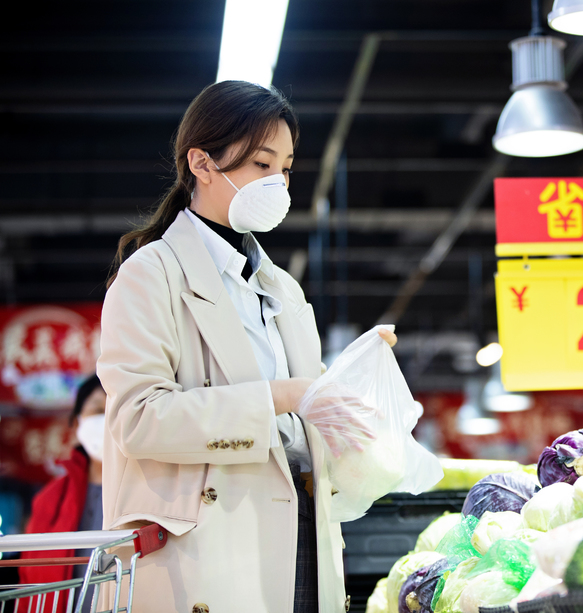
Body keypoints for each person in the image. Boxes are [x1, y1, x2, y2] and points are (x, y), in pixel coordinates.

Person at [97, 80, 395, 613]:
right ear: (202, 163)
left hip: (304, 528)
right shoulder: (152, 273)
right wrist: (282, 396)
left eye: (285, 167)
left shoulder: (282, 286)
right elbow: (138, 420)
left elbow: (306, 414)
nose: (278, 183)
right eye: (261, 164)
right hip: (209, 548)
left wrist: (354, 385)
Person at [20, 375, 106, 613]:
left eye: (116, 411)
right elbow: (29, 580)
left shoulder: (153, 492)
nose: (107, 420)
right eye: (98, 410)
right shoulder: (49, 498)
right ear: (77, 424)